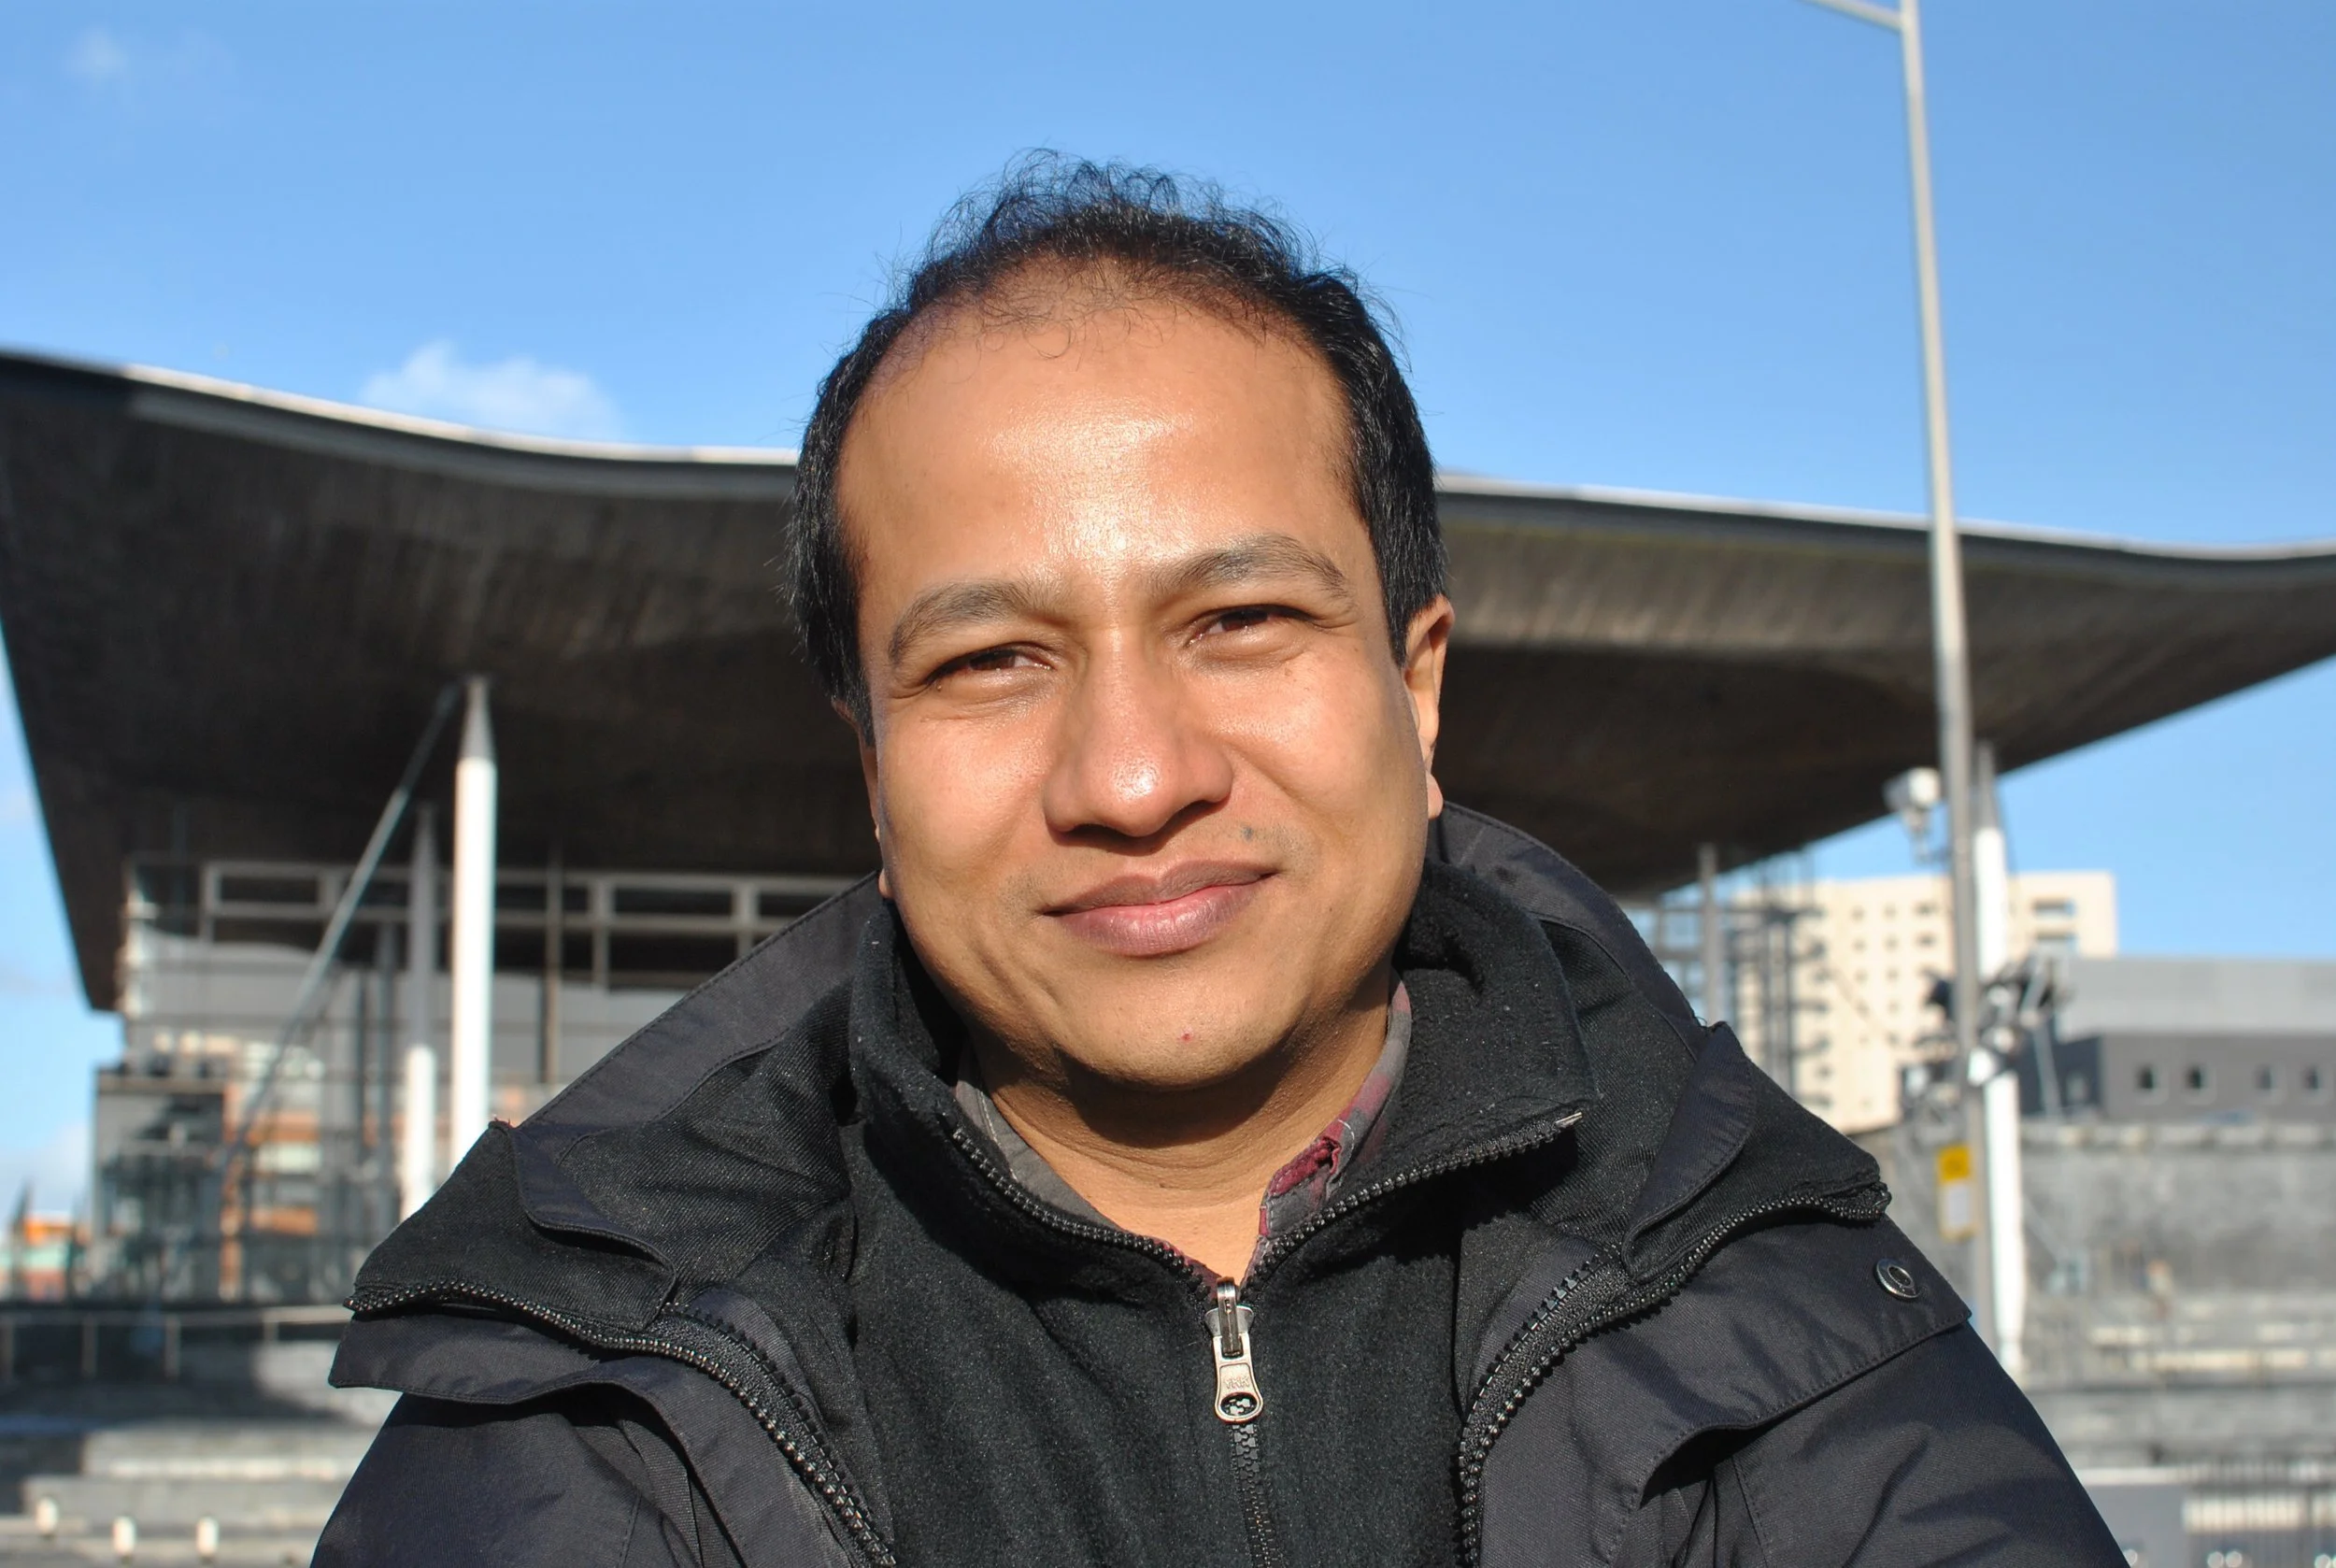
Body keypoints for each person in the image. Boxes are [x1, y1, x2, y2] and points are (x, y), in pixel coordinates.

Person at [318, 159, 2121, 1567]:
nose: (1131, 775)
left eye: (1243, 617)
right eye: (985, 661)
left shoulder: (1787, 1322)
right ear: (871, 771)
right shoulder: (581, 1413)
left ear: (1415, 693)